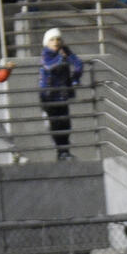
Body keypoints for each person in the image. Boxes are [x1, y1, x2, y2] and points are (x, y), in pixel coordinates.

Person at [38, 28, 83, 161]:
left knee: (66, 124)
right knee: (56, 124)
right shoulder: (46, 53)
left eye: (58, 39)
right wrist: (60, 58)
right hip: (49, 96)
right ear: (47, 42)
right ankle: (61, 152)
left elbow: (78, 64)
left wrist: (75, 79)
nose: (56, 42)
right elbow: (48, 66)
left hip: (62, 95)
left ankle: (65, 151)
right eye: (52, 39)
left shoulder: (65, 50)